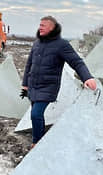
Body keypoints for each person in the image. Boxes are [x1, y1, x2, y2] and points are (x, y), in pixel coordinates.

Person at [21, 16, 97, 147]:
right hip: (33, 85)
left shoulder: (62, 45)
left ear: (52, 28)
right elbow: (29, 64)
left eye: (43, 25)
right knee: (37, 115)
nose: (40, 27)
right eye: (40, 25)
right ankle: (40, 136)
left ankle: (37, 142)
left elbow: (77, 62)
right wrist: (25, 84)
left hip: (47, 87)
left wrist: (87, 77)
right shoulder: (37, 43)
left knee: (35, 114)